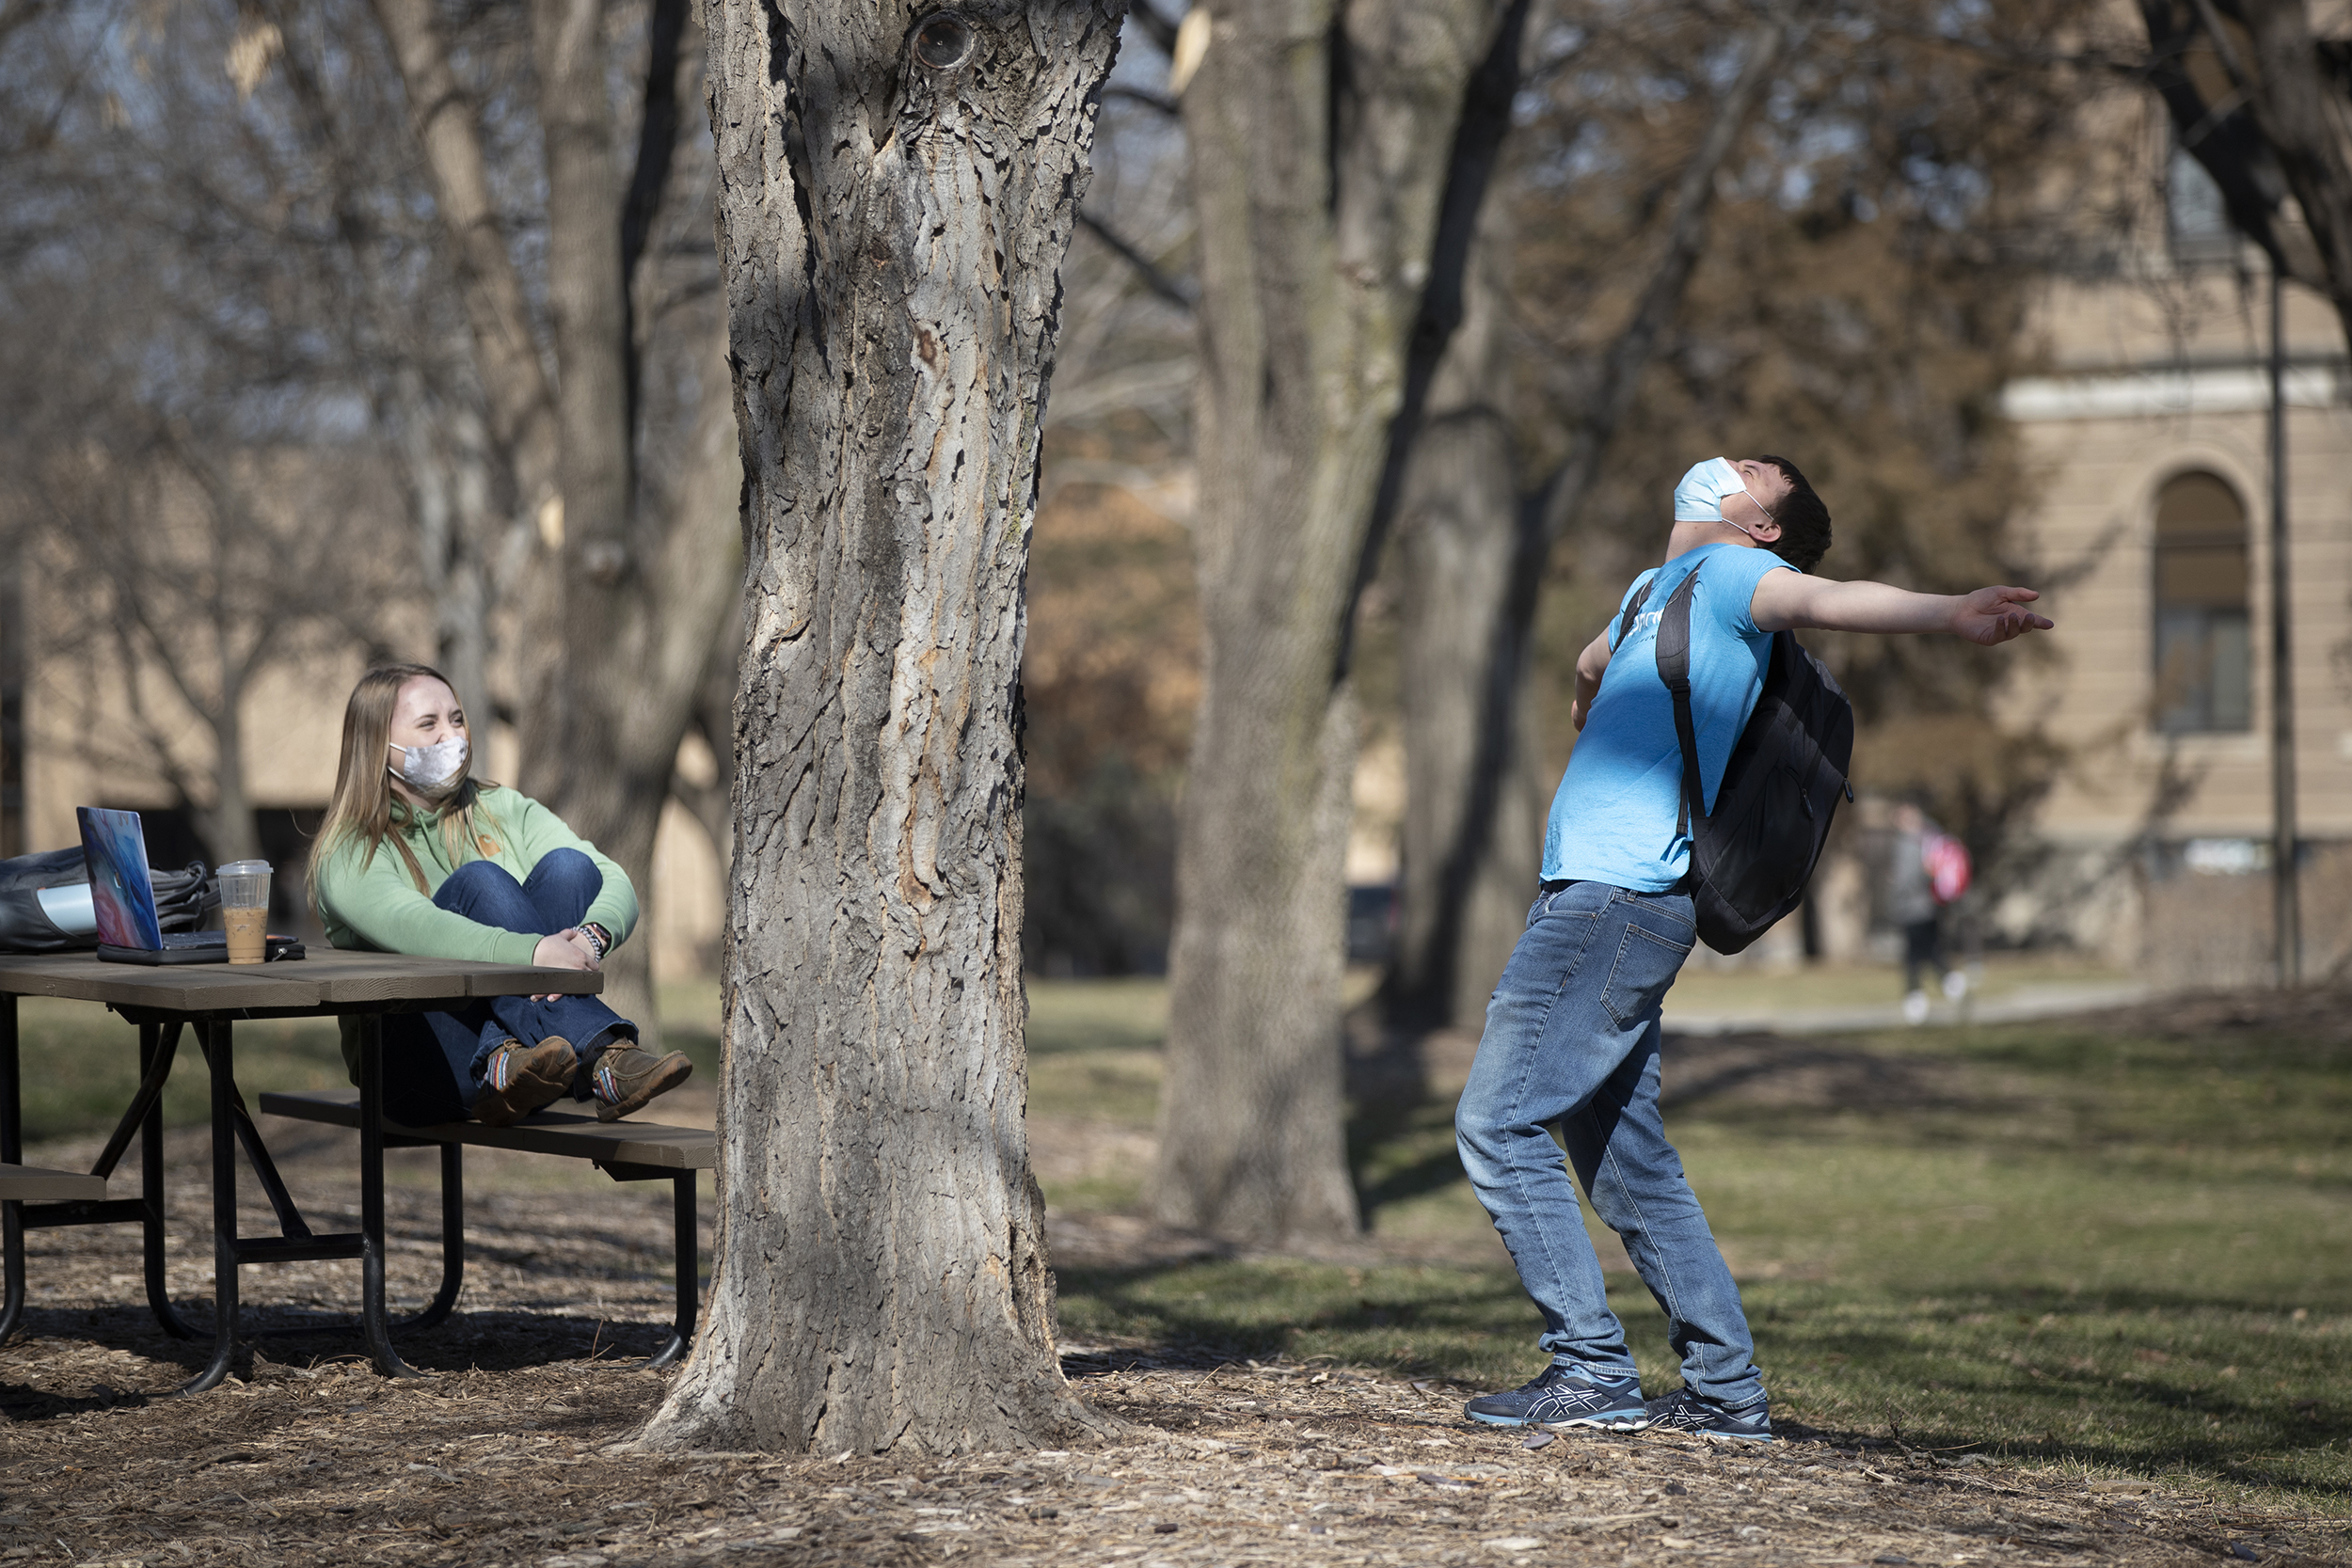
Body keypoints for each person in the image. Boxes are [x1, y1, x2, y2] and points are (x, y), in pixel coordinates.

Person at [1454, 454, 2051, 1442]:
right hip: (1603, 894)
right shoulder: (1654, 589)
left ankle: (1590, 1368)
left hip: (1616, 896)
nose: (1721, 463)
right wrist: (1584, 678)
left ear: (1760, 524)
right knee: (1624, 1156)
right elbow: (1596, 658)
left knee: (1498, 1121)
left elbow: (1829, 597)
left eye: (1750, 471)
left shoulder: (1733, 578)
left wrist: (1949, 611)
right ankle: (1726, 1390)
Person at [310, 664, 691, 1128]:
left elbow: (614, 878)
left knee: (571, 869)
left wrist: (589, 939)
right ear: (376, 746)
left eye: (456, 719)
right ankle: (602, 1055)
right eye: (428, 724)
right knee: (482, 883)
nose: (450, 735)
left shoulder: (499, 808)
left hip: (534, 1070)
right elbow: (415, 926)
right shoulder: (348, 847)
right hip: (411, 1074)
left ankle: (502, 1056)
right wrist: (534, 950)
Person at [1886, 799, 1966, 1023]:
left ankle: (1919, 997)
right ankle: (1948, 984)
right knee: (1927, 950)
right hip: (1922, 906)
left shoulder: (1918, 842)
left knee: (1917, 953)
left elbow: (1909, 877)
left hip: (1917, 907)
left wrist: (1897, 885)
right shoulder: (1925, 839)